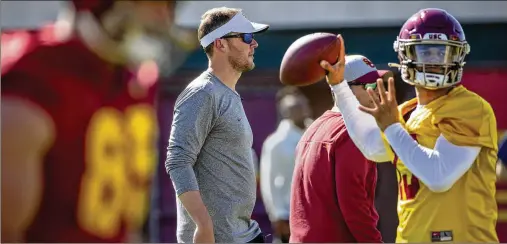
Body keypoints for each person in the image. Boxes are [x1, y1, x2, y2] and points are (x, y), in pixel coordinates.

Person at [1, 0, 190, 242]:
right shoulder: (32, 81)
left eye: (170, 6)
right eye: (154, 4)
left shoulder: (134, 80)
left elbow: (122, 227)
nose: (164, 18)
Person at [321, 8, 499, 242]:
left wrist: (393, 127)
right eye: (425, 52)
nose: (434, 62)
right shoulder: (408, 111)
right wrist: (339, 86)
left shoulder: (470, 108)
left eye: (442, 54)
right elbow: (373, 147)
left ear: (458, 56)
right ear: (405, 55)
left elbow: (439, 177)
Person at [164, 7, 269, 243]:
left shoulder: (227, 93)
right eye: (247, 37)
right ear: (220, 44)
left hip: (244, 234)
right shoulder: (202, 93)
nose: (255, 45)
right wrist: (203, 225)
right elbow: (177, 160)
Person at [289, 54, 388, 243]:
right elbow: (354, 205)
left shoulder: (314, 128)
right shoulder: (352, 134)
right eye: (371, 86)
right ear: (346, 89)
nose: (378, 92)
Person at [260, 86, 312, 243]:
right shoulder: (276, 142)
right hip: (288, 212)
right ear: (286, 113)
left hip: (314, 207)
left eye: (303, 105)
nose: (301, 111)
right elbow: (268, 180)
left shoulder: (314, 133)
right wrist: (276, 214)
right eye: (295, 108)